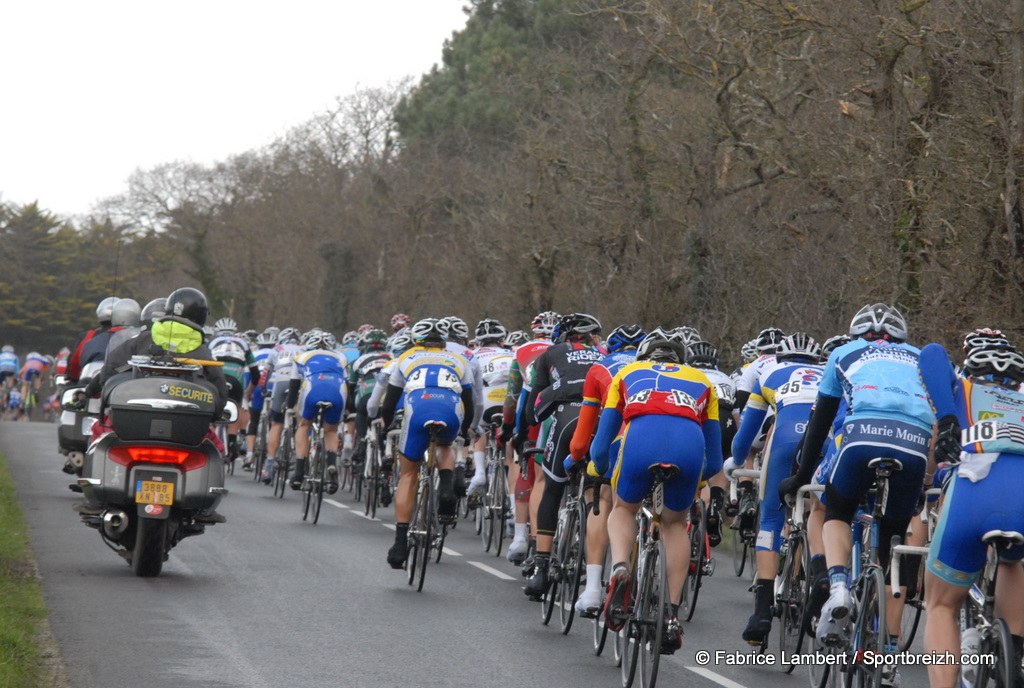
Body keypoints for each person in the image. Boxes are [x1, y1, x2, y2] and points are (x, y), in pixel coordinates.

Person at [779, 304, 933, 675]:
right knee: (895, 543)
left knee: (837, 510)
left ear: (856, 333)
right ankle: (890, 650)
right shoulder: (922, 358)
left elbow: (820, 421)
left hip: (861, 436)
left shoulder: (842, 353)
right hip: (915, 442)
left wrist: (800, 477)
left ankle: (838, 588)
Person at [592, 332, 723, 654]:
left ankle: (621, 568)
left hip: (640, 441)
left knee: (623, 508)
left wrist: (599, 468)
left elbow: (600, 445)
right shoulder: (703, 379)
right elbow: (717, 459)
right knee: (675, 524)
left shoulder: (626, 373)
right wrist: (699, 481)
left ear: (645, 356)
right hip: (689, 447)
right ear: (682, 361)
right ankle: (671, 613)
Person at [918, 340, 1024, 688]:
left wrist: (948, 419)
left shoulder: (963, 388)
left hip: (975, 494)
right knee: (1012, 560)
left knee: (941, 606)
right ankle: (1014, 654)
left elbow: (931, 353)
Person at [731, 332, 824, 644]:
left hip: (785, 441)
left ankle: (760, 613)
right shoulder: (831, 373)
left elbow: (748, 431)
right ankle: (823, 578)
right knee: (824, 516)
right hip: (824, 445)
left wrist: (736, 459)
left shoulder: (769, 371)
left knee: (771, 520)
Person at [521, 313, 606, 599]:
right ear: (594, 338)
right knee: (601, 495)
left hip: (568, 416)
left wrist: (525, 436)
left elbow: (532, 410)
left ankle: (542, 568)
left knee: (552, 487)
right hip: (603, 418)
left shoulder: (550, 353)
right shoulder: (607, 355)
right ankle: (597, 575)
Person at [564, 323, 646, 616]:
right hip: (662, 443)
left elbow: (585, 428)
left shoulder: (600, 368)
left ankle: (594, 590)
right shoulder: (656, 369)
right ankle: (650, 571)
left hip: (618, 441)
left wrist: (575, 457)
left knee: (602, 502)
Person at [380, 318, 475, 569]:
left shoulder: (405, 359)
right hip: (450, 407)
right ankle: (446, 487)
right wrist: (464, 432)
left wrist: (386, 428)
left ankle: (400, 544)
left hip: (418, 406)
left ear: (416, 340)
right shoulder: (459, 360)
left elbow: (389, 404)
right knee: (446, 444)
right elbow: (471, 403)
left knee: (408, 475)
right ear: (444, 340)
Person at [81, 287, 229, 417]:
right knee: (215, 445)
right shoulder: (202, 351)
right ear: (202, 316)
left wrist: (88, 392)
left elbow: (110, 369)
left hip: (134, 418)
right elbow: (219, 387)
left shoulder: (142, 339)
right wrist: (218, 412)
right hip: (185, 429)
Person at [285, 331, 348, 494]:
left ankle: (299, 472)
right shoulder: (341, 357)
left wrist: (290, 406)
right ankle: (332, 466)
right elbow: (349, 383)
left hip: (313, 388)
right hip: (338, 389)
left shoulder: (301, 357)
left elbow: (294, 385)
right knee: (331, 430)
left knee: (304, 425)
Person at [466, 318, 513, 501]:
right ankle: (512, 507)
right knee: (510, 440)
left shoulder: (472, 354)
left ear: (478, 341)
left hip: (486, 401)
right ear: (502, 340)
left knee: (479, 429)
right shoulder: (511, 354)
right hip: (509, 402)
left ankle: (479, 473)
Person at [66, 297, 119, 382]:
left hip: (91, 381)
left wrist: (73, 378)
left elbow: (74, 362)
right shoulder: (132, 335)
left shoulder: (88, 336)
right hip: (123, 382)